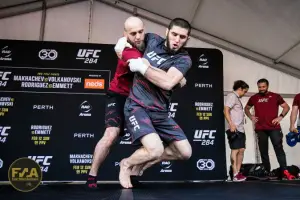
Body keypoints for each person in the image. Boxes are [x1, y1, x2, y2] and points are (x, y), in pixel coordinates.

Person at [116, 18, 193, 189]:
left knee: (185, 152)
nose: (177, 40)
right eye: (174, 34)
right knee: (155, 149)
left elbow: (167, 83)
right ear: (167, 31)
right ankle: (126, 164)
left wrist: (144, 67)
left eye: (182, 37)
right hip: (138, 105)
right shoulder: (151, 39)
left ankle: (143, 164)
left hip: (160, 111)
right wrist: (122, 43)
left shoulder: (184, 59)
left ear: (187, 39)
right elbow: (129, 46)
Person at [85, 16, 146, 189]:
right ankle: (92, 176)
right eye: (133, 33)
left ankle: (132, 172)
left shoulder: (148, 43)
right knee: (111, 135)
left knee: (150, 140)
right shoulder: (125, 49)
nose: (138, 36)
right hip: (119, 95)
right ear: (125, 34)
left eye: (141, 32)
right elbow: (138, 63)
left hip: (138, 99)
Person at [244, 78, 295, 180]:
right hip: (260, 128)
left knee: (279, 149)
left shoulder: (275, 96)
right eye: (259, 87)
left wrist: (280, 117)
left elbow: (286, 107)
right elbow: (246, 108)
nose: (261, 89)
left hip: (274, 128)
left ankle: (285, 171)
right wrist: (251, 117)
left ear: (267, 86)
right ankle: (267, 171)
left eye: (263, 87)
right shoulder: (254, 98)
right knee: (263, 151)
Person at [224, 80, 249, 182]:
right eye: (244, 91)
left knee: (241, 150)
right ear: (240, 89)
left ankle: (238, 173)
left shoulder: (237, 98)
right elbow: (226, 110)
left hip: (240, 128)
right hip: (234, 128)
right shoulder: (232, 96)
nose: (245, 93)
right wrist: (231, 124)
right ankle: (234, 174)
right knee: (235, 150)